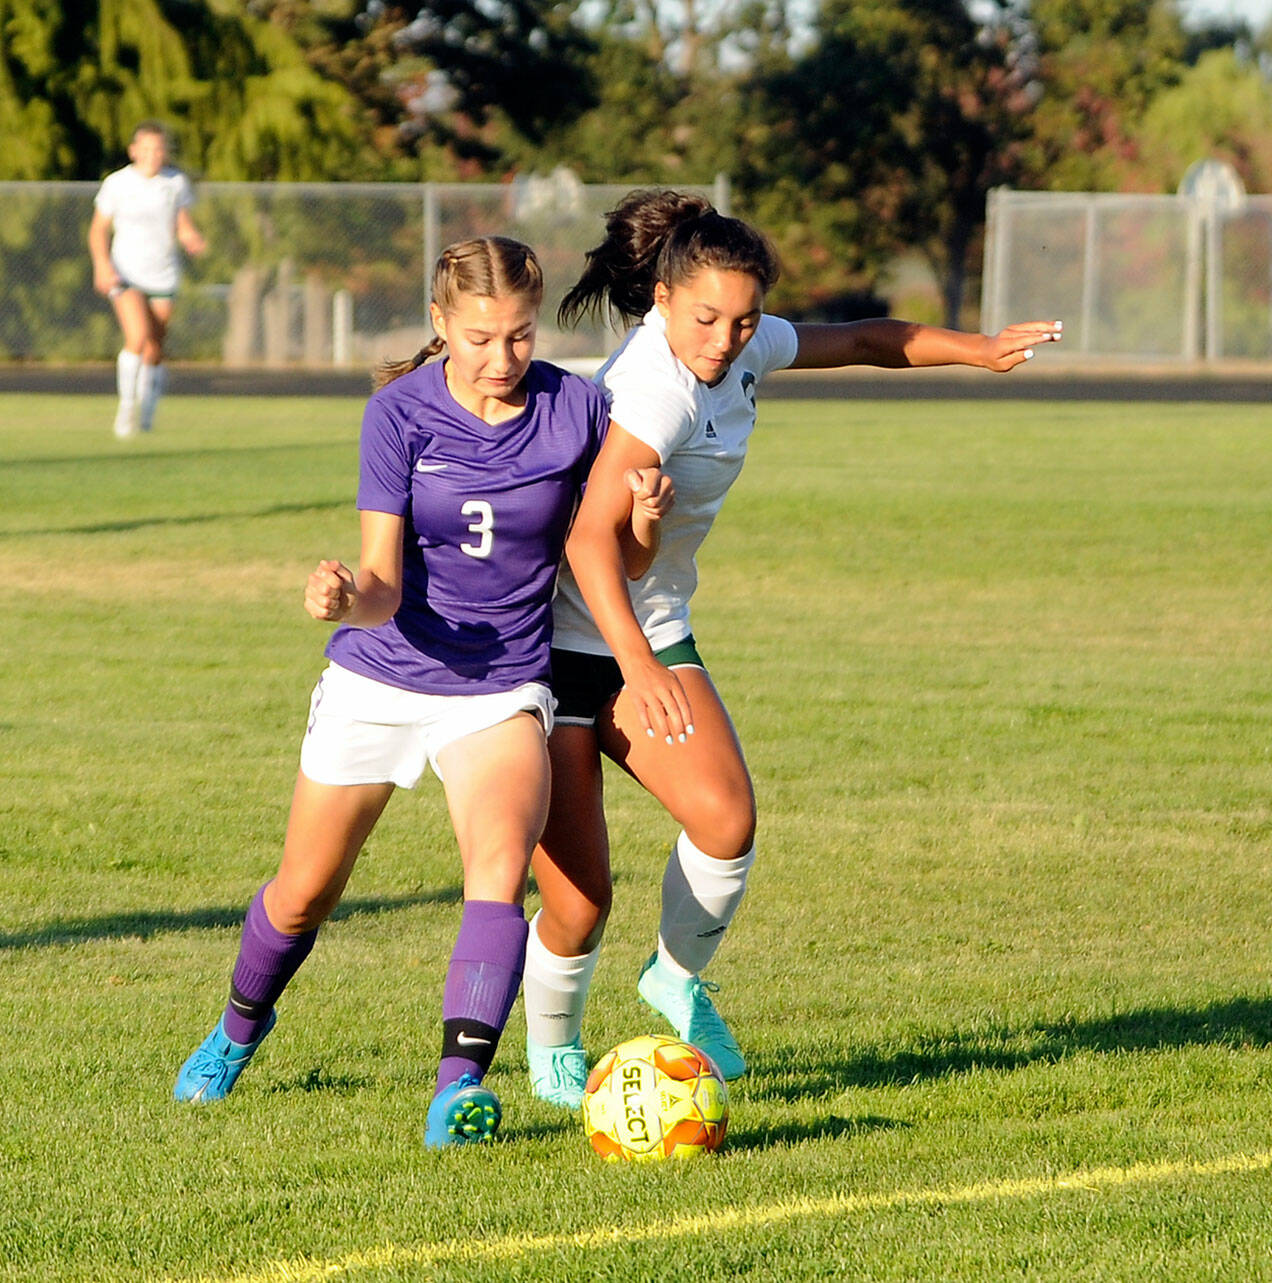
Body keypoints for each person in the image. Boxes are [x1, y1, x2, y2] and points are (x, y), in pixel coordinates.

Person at [522, 189, 1062, 1108]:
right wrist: (640, 670)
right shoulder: (654, 389)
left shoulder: (743, 344)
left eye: (745, 319)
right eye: (707, 318)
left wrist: (976, 348)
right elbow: (585, 543)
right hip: (554, 644)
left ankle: (674, 981)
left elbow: (861, 339)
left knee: (726, 824)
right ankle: (552, 1049)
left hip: (648, 627)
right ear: (660, 299)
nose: (728, 337)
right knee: (579, 900)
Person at [172, 236, 670, 1148]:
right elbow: (381, 583)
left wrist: (641, 517)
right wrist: (340, 597)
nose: (502, 359)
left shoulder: (577, 408)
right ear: (441, 325)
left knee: (497, 876)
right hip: (383, 676)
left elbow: (614, 560)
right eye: (480, 337)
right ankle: (237, 1030)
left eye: (520, 336)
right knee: (304, 893)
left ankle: (458, 1091)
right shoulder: (397, 414)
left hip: (502, 686)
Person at [88, 121, 206, 438]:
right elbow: (99, 229)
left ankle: (148, 411)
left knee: (155, 347)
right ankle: (126, 409)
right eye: (146, 149)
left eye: (159, 149)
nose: (153, 155)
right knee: (137, 337)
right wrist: (101, 264)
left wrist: (191, 236)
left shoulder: (175, 183)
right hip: (125, 271)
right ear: (133, 151)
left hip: (163, 273)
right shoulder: (117, 183)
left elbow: (182, 223)